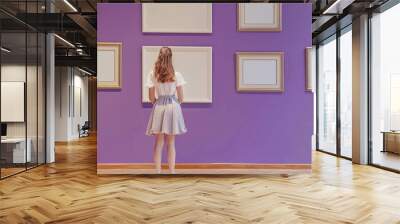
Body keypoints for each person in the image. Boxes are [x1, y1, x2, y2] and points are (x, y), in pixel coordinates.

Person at [145, 47, 187, 174]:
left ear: (159, 56)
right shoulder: (176, 75)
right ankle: (172, 171)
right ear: (170, 58)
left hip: (159, 107)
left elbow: (151, 97)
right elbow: (181, 98)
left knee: (158, 142)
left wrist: (158, 102)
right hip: (173, 106)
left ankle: (158, 172)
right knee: (171, 142)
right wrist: (174, 103)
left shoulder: (153, 74)